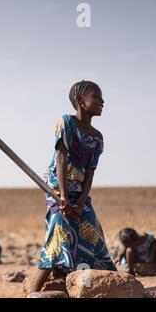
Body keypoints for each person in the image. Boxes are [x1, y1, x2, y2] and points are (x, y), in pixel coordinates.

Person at [29, 80, 116, 293]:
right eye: (96, 96)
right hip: (57, 189)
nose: (102, 101)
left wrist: (80, 203)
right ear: (80, 101)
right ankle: (33, 293)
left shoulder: (97, 137)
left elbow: (90, 172)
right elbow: (61, 158)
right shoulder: (66, 123)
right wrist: (64, 199)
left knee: (91, 238)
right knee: (59, 234)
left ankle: (84, 290)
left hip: (79, 194)